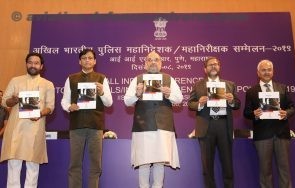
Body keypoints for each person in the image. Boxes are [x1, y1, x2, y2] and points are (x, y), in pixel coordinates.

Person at [124, 51, 183, 188]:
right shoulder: (137, 79)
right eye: (150, 60)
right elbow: (127, 101)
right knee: (143, 162)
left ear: (161, 63)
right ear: (145, 63)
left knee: (159, 161)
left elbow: (179, 99)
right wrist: (137, 94)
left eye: (156, 59)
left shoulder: (169, 78)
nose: (153, 62)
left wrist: (169, 94)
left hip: (163, 125)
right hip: (143, 126)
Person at [0, 52, 55, 188]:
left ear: (41, 66)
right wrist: (15, 99)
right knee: (14, 166)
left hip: (35, 128)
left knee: (33, 167)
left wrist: (40, 113)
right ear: (26, 64)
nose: (33, 65)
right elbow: (4, 103)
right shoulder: (15, 80)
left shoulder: (48, 84)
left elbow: (50, 107)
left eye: (36, 63)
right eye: (30, 62)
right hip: (15, 129)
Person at [61, 49, 113, 188]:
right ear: (80, 61)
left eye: (90, 58)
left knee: (96, 163)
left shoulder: (102, 78)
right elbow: (64, 101)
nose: (87, 60)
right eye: (84, 58)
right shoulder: (71, 78)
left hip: (96, 126)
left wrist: (101, 92)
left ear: (95, 61)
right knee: (75, 163)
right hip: (76, 125)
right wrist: (69, 107)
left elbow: (109, 102)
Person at [188, 57, 240, 188]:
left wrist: (232, 100)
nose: (213, 66)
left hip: (224, 126)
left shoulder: (230, 85)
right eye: (210, 65)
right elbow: (190, 104)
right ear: (205, 69)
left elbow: (237, 104)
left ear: (219, 67)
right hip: (206, 126)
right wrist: (199, 103)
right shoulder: (198, 85)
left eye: (216, 64)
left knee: (227, 164)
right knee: (207, 166)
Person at [244, 59, 295, 188]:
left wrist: (286, 113)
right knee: (265, 171)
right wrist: (254, 113)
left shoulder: (282, 88)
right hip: (262, 136)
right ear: (258, 72)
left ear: (273, 71)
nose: (266, 72)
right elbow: (246, 112)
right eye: (263, 70)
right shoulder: (251, 91)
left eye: (269, 70)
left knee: (284, 170)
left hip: (281, 134)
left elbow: (292, 107)